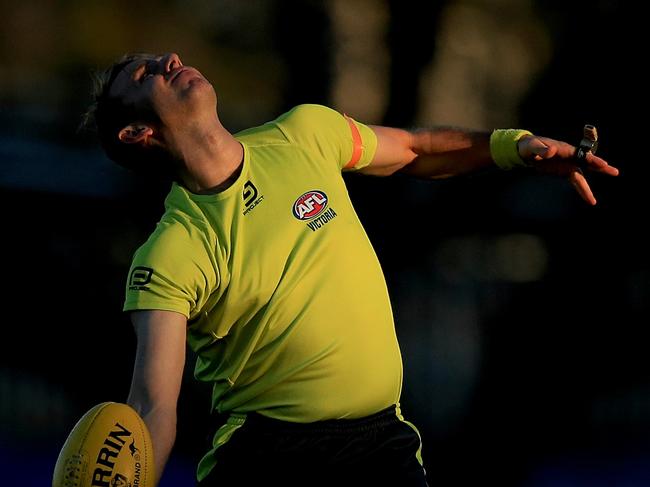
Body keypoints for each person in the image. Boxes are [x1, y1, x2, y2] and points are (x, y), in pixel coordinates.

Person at [83, 52, 618, 486]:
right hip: (269, 458)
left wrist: (514, 147)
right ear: (137, 133)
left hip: (381, 442)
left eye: (162, 58)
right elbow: (152, 409)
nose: (170, 59)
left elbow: (413, 149)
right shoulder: (169, 253)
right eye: (145, 73)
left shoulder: (303, 133)